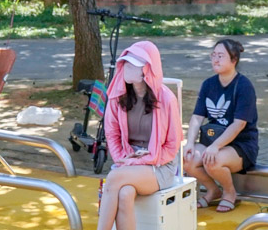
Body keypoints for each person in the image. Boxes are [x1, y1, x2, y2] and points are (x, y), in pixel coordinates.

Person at [98, 40, 182, 230]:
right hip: (129, 160)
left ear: (146, 70)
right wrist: (122, 159)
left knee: (113, 179)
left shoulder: (166, 98)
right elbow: (112, 134)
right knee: (125, 193)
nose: (126, 68)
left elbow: (172, 145)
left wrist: (140, 161)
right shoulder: (117, 95)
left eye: (132, 64)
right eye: (125, 63)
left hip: (160, 164)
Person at [184, 39, 258, 213]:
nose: (215, 60)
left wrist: (216, 146)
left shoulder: (244, 86)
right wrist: (189, 142)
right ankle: (213, 191)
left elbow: (239, 125)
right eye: (213, 55)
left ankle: (230, 193)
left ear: (234, 60)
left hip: (241, 145)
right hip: (212, 139)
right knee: (188, 159)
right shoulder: (208, 84)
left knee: (213, 160)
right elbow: (196, 117)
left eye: (221, 56)